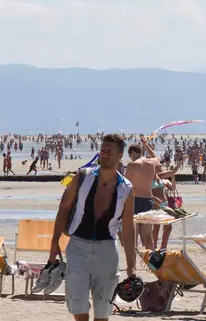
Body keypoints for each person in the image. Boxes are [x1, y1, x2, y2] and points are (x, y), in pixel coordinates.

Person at [49, 133, 135, 321]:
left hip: (107, 250)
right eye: (102, 150)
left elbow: (128, 229)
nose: (104, 154)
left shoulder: (126, 188)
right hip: (78, 246)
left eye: (109, 151)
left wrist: (131, 266)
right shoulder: (82, 177)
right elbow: (63, 209)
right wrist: (54, 243)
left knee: (103, 307)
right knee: (77, 302)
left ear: (120, 155)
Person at [125, 136, 160, 249]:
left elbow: (126, 184)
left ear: (133, 152)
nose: (130, 158)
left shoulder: (132, 165)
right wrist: (146, 145)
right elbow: (155, 157)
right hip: (147, 199)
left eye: (130, 155)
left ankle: (133, 265)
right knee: (148, 235)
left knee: (133, 234)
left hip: (134, 200)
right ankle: (150, 263)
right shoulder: (152, 162)